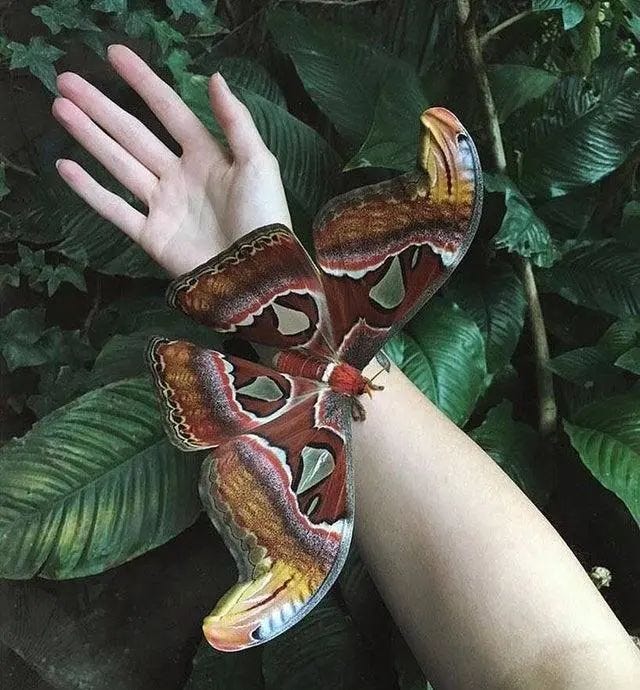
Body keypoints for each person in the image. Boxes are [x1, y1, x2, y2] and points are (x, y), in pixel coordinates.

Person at [52, 45, 640, 689]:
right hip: (305, 344)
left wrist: (277, 303)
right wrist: (264, 273)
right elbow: (558, 658)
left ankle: (232, 373)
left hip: (306, 356)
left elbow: (560, 659)